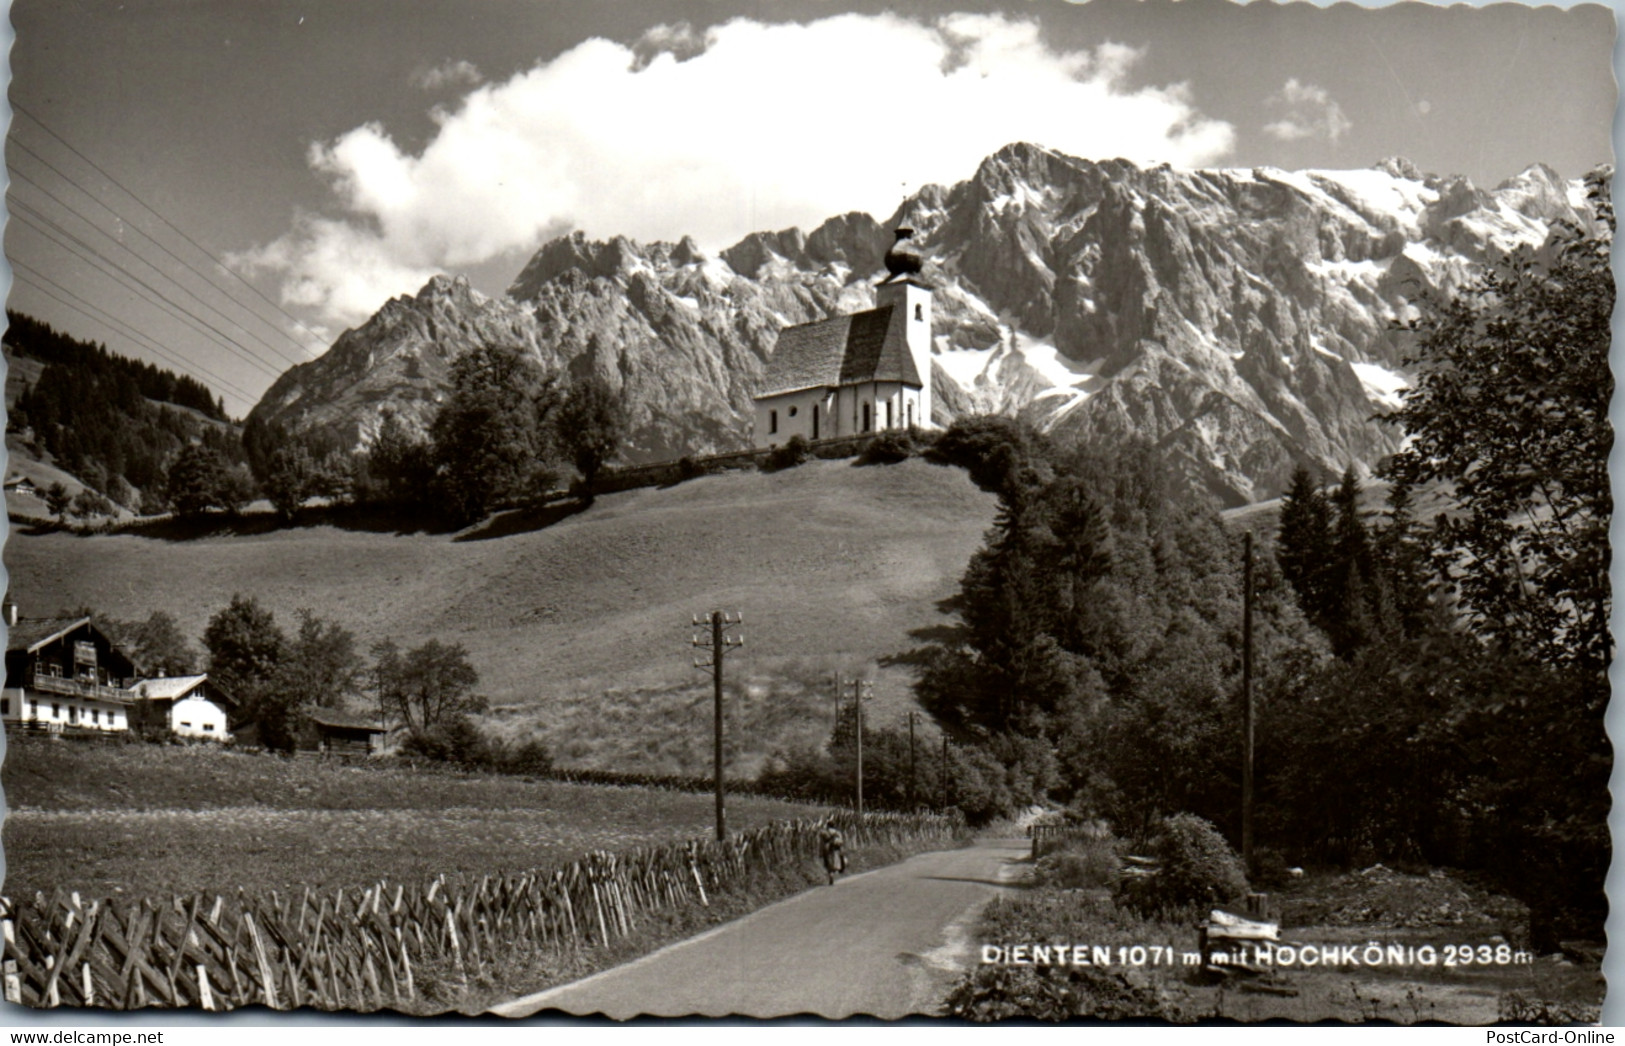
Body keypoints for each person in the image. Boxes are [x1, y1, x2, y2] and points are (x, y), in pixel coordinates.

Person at [819, 818, 846, 884]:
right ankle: (838, 870)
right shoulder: (837, 832)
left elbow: (821, 842)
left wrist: (820, 852)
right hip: (836, 849)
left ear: (828, 826)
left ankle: (830, 874)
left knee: (828, 862)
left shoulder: (824, 833)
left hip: (827, 848)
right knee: (836, 860)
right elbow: (841, 841)